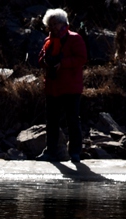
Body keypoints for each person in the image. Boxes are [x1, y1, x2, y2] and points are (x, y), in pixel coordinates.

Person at [37, 8, 87, 162]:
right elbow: (40, 59)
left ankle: (75, 153)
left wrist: (62, 64)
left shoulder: (75, 38)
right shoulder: (48, 41)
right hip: (53, 87)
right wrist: (46, 62)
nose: (52, 27)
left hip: (71, 87)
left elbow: (82, 58)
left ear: (63, 23)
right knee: (51, 121)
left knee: (73, 120)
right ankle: (50, 152)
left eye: (55, 24)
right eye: (50, 24)